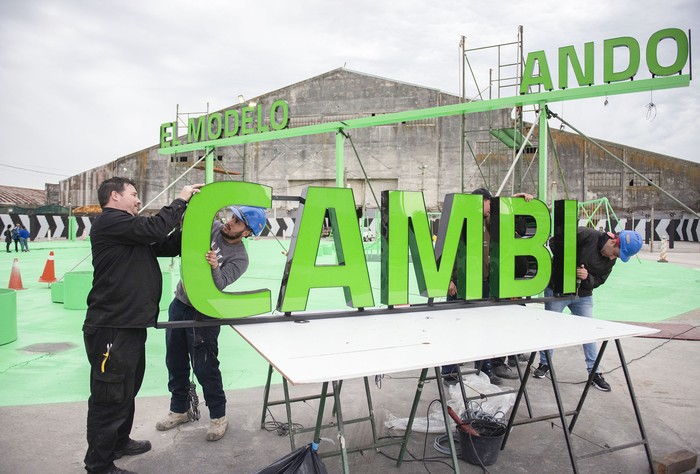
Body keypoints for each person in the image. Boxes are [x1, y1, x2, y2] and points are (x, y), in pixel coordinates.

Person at [83, 177, 202, 474]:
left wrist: (192, 222)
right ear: (114, 196)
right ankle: (98, 464)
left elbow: (166, 243)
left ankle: (119, 442)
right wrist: (180, 200)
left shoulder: (130, 232)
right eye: (134, 195)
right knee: (109, 395)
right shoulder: (110, 222)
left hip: (130, 325)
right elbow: (155, 228)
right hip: (112, 326)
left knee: (126, 389)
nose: (138, 200)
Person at [155, 205, 266, 441]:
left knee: (205, 366)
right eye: (232, 216)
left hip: (205, 313)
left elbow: (220, 284)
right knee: (175, 360)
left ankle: (218, 417)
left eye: (238, 222)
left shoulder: (240, 258)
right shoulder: (212, 227)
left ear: (247, 232)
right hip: (180, 303)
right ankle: (179, 409)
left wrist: (215, 266)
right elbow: (186, 225)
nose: (230, 221)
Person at [533, 227, 643, 392]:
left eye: (617, 257)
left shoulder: (611, 258)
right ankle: (544, 363)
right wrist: (570, 265)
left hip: (583, 296)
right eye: (615, 253)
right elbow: (555, 242)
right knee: (551, 328)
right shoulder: (586, 235)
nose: (613, 258)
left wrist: (587, 277)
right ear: (613, 241)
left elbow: (599, 280)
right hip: (557, 290)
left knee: (589, 333)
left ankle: (594, 373)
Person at [441, 188, 532, 385]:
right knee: (456, 328)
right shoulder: (459, 221)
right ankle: (448, 371)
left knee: (483, 328)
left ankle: (484, 369)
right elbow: (441, 252)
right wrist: (447, 280)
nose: (491, 209)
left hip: (482, 284)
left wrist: (512, 202)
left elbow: (508, 224)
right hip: (461, 284)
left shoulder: (489, 222)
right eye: (490, 204)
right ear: (481, 201)